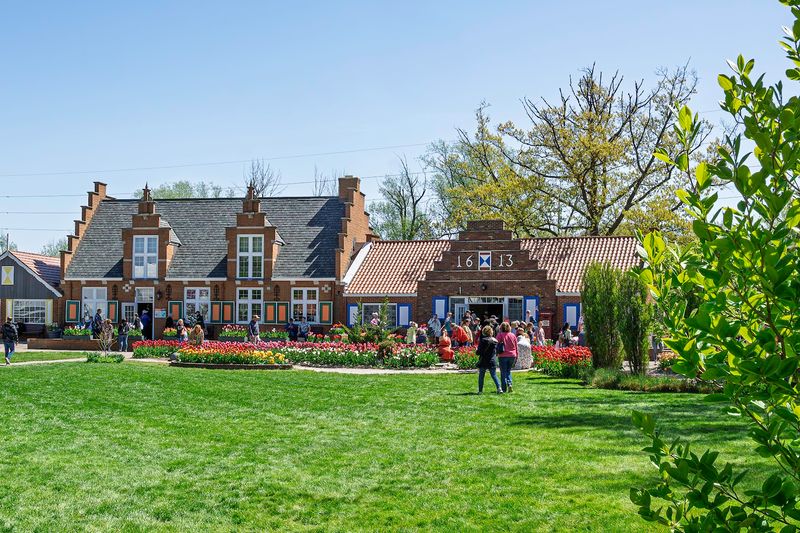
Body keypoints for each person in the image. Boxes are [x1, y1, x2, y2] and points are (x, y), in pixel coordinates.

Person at [476, 325, 502, 394]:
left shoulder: (483, 340)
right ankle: (499, 388)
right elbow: (498, 350)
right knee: (494, 375)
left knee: (481, 376)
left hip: (484, 360)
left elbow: (479, 352)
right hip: (492, 360)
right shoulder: (495, 340)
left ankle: (480, 391)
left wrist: (477, 351)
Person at [496, 322, 518, 393]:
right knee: (508, 371)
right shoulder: (513, 335)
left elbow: (496, 344)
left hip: (503, 355)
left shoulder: (500, 335)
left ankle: (504, 388)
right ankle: (509, 383)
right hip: (512, 355)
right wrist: (516, 355)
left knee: (503, 372)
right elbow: (516, 346)